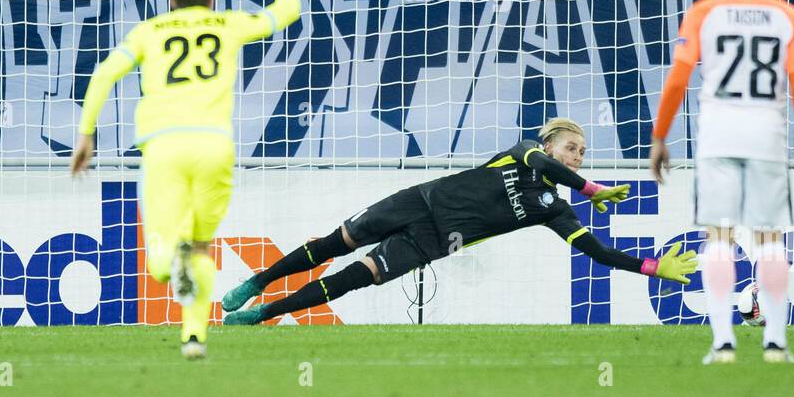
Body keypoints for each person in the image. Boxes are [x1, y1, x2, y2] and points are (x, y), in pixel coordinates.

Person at [221, 116, 697, 326]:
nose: (577, 156)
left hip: (437, 240)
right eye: (571, 148)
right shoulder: (522, 155)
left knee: (352, 278)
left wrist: (653, 268)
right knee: (333, 244)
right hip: (419, 201)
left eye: (583, 153)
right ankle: (258, 282)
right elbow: (542, 166)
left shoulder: (555, 208)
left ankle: (264, 314)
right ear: (549, 145)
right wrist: (590, 187)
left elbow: (598, 253)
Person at [70, 0, 300, 358]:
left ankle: (168, 262)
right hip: (214, 147)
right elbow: (287, 11)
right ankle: (193, 337)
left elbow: (103, 74)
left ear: (171, 1)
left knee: (162, 255)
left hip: (163, 148)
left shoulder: (149, 31)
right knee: (199, 247)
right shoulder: (227, 24)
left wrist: (87, 134)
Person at [650, 0, 794, 365]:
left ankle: (724, 342)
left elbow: (676, 79)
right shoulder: (787, 16)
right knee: (769, 240)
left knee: (720, 238)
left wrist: (660, 137)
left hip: (718, 138)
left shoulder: (703, 12)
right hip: (767, 138)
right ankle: (776, 343)